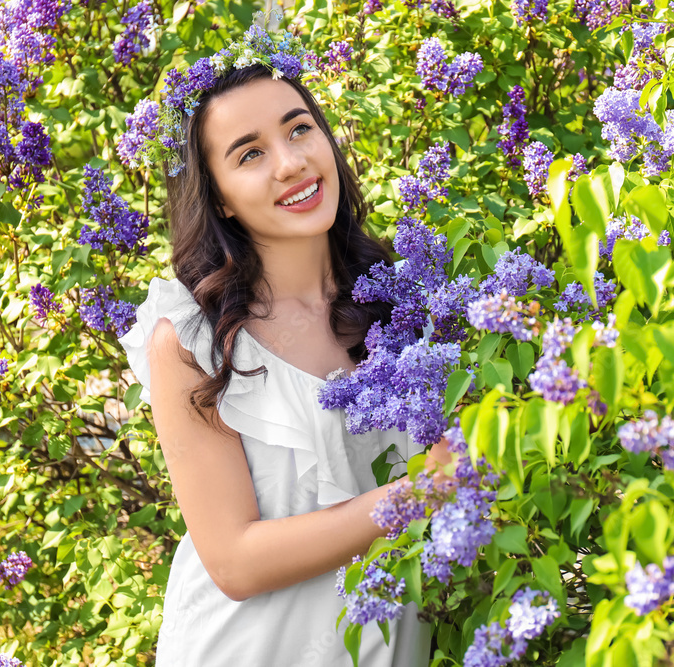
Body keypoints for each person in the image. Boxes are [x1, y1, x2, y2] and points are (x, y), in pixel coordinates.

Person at [116, 15, 452, 666]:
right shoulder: (194, 338)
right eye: (250, 153)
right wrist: (422, 491)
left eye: (299, 128)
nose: (291, 162)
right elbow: (234, 560)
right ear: (219, 200)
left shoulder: (402, 301)